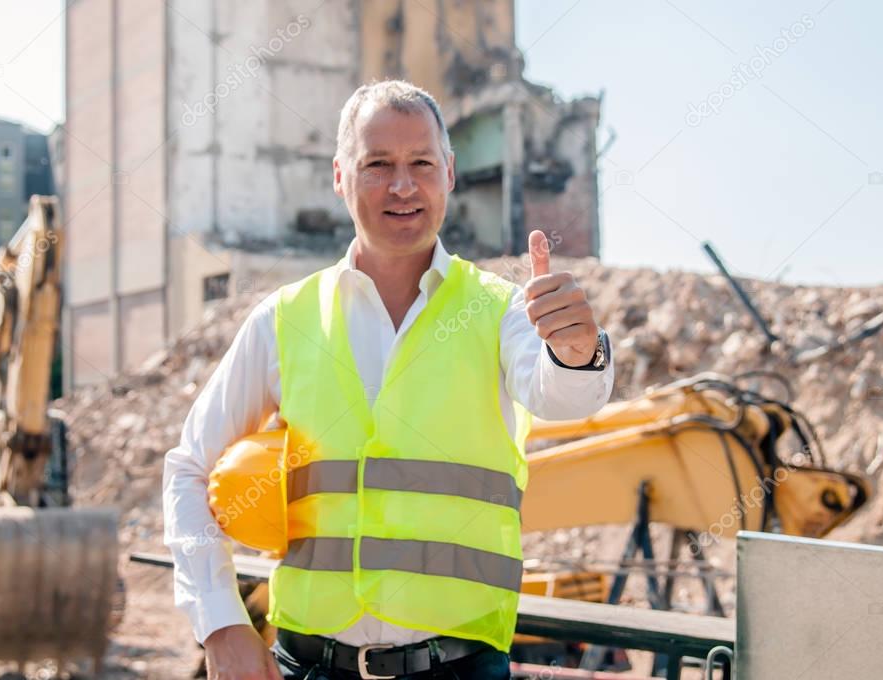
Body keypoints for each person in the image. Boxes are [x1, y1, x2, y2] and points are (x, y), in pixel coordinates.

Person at [163, 79, 614, 680]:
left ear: (449, 172)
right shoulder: (284, 319)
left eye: (421, 163)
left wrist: (579, 351)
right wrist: (221, 627)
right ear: (340, 176)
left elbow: (566, 396)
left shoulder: (501, 311)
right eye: (378, 164)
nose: (403, 186)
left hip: (459, 669)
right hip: (308, 665)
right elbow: (190, 468)